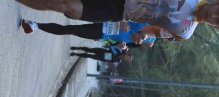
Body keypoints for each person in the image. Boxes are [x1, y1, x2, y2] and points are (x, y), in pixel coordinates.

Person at [0, 0, 219, 41]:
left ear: (216, 26)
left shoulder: (184, 33)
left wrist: (143, 34)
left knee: (67, 7)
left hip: (118, 12)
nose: (214, 15)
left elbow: (155, 30)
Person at [21, 20, 157, 48]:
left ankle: (35, 25)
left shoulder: (150, 42)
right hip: (106, 17)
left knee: (70, 29)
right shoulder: (149, 20)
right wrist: (123, 20)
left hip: (103, 34)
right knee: (73, 8)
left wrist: (122, 46)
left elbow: (129, 46)